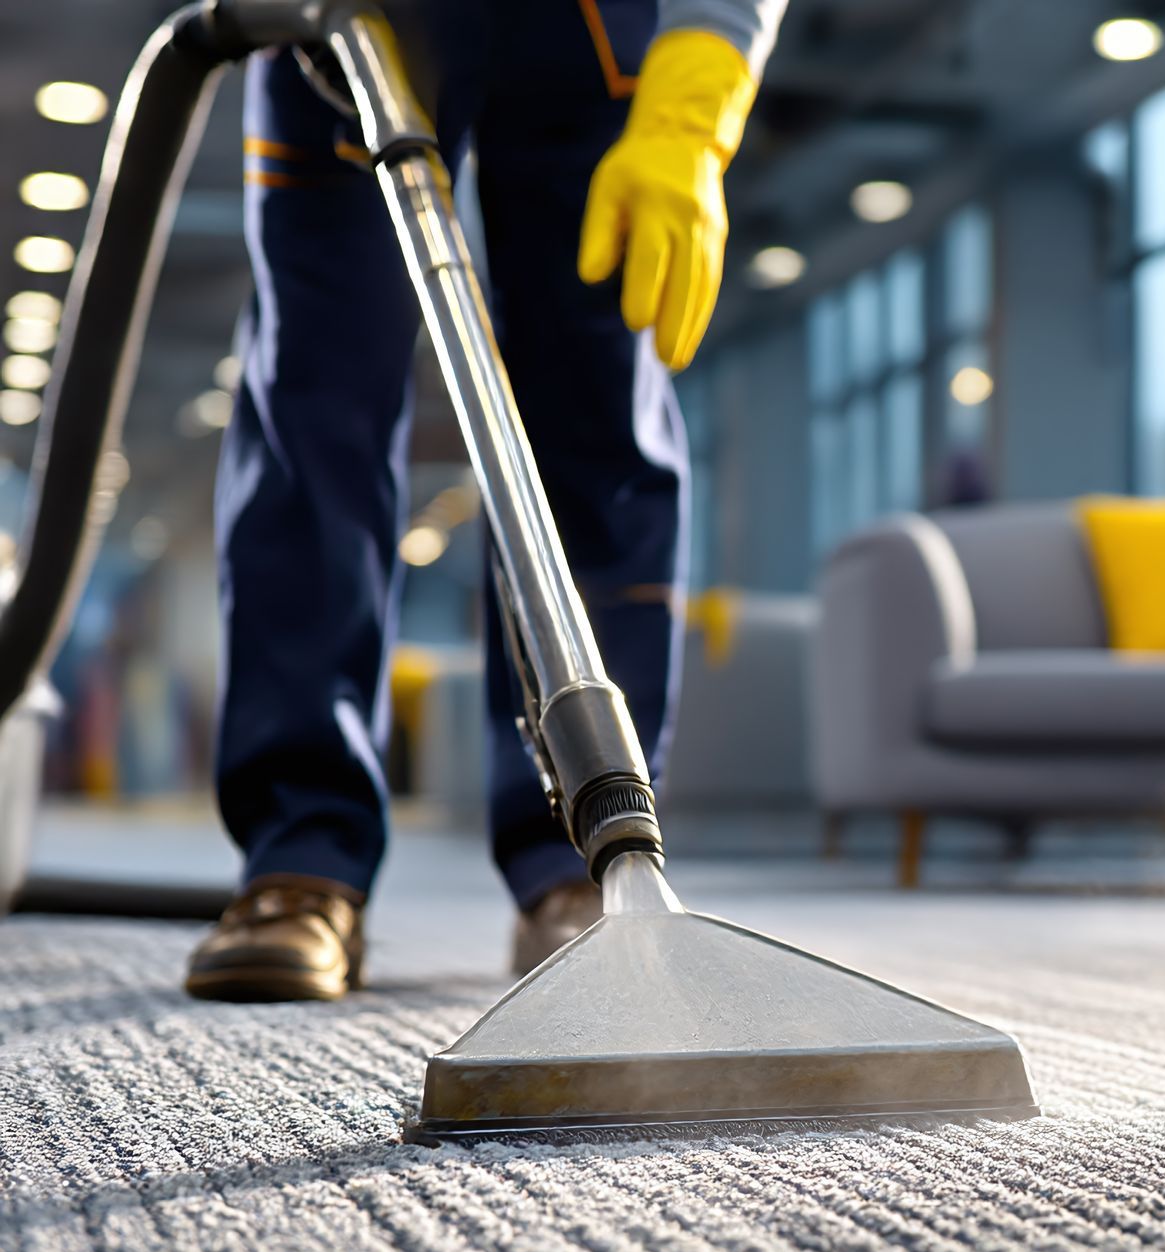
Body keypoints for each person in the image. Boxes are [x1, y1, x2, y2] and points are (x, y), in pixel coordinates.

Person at [184, 0, 786, 1002]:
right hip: (341, 16)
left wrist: (693, 108)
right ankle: (302, 861)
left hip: (597, 28)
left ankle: (581, 865)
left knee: (598, 413)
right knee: (317, 402)